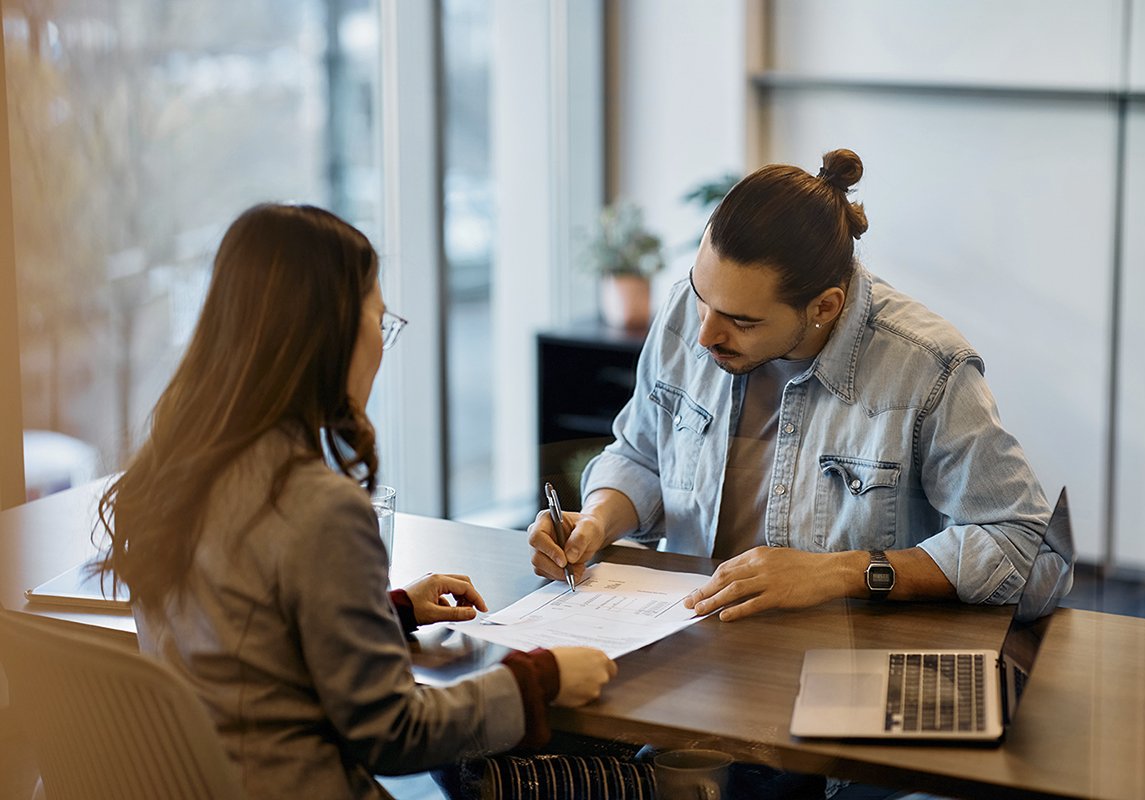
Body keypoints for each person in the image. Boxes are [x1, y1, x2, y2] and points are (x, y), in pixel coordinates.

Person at [96, 203, 616, 800]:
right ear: (329, 336)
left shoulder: (174, 472)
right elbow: (393, 732)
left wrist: (385, 613)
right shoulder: (317, 506)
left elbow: (245, 644)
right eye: (379, 319)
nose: (381, 341)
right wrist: (539, 678)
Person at [528, 149, 1071, 636]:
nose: (704, 335)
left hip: (844, 661)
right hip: (686, 643)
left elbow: (1028, 548)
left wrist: (838, 573)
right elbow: (641, 456)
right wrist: (598, 519)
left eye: (741, 321)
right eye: (700, 294)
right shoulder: (685, 313)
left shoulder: (926, 367)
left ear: (824, 307)